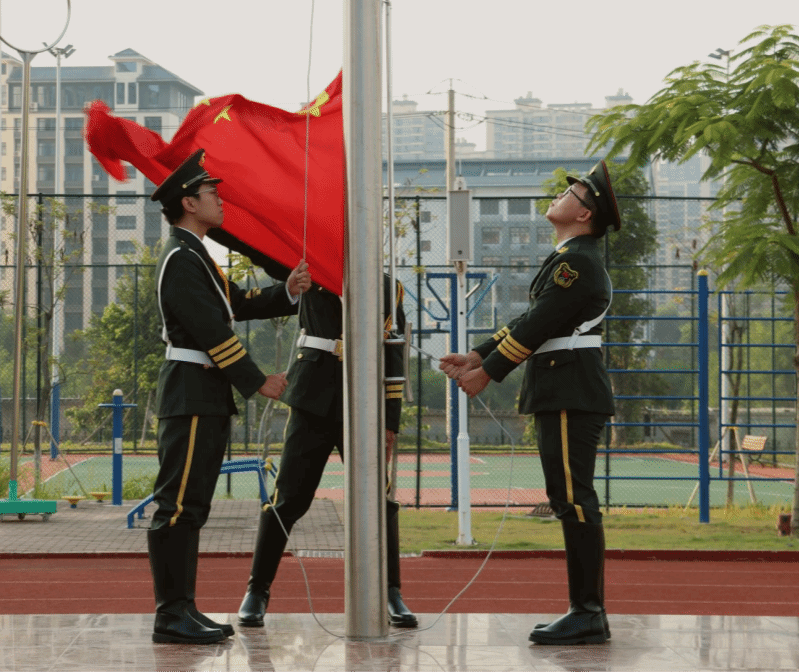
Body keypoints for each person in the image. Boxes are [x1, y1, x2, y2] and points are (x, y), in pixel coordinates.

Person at [439, 161, 621, 646]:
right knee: (568, 498)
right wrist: (478, 354)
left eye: (571, 193)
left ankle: (588, 612)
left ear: (584, 214)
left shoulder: (577, 262)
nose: (559, 196)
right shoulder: (570, 258)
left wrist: (487, 372)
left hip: (569, 389)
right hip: (563, 387)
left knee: (574, 500)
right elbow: (532, 319)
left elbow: (540, 324)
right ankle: (586, 611)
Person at [145, 149, 312, 645]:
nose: (219, 200)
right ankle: (170, 614)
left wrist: (288, 290)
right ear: (188, 202)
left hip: (205, 391)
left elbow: (236, 303)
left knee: (193, 506)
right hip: (191, 390)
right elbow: (210, 330)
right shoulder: (181, 258)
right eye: (211, 193)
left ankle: (183, 609)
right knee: (177, 506)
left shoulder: (196, 254)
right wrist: (257, 380)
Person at [236, 276, 418, 629]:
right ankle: (256, 591)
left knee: (378, 501)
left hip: (363, 401)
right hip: (311, 397)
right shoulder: (312, 271)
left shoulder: (386, 286)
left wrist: (390, 421)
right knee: (288, 498)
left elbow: (393, 350)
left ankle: (391, 591)